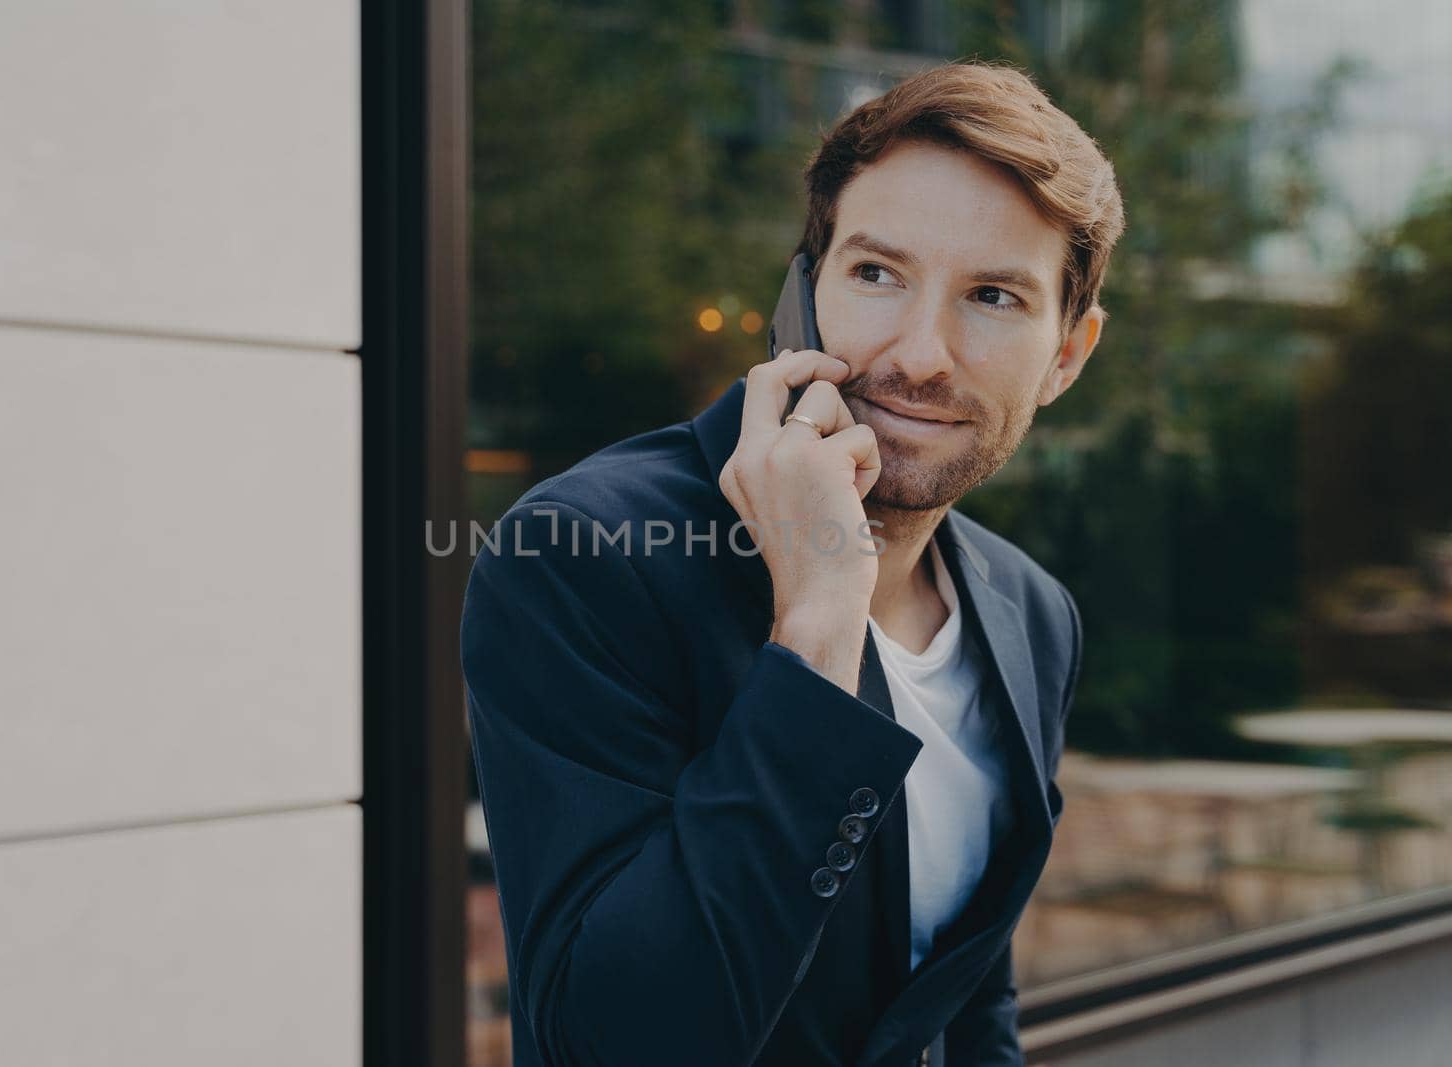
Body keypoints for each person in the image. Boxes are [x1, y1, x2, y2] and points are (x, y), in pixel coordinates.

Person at [460, 60, 1125, 1067]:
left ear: (1067, 354)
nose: (920, 353)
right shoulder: (583, 553)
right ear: (803, 289)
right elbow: (614, 1044)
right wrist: (817, 617)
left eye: (991, 295)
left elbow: (962, 987)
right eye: (875, 273)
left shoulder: (1031, 611)